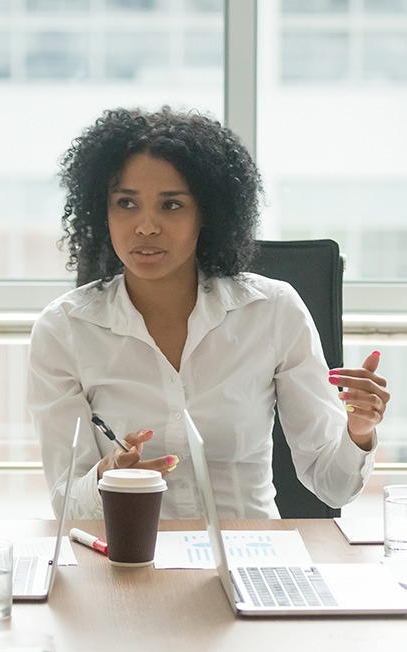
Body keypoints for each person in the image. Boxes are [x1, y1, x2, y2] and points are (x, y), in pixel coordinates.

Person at [28, 106, 389, 520]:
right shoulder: (64, 330)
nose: (146, 226)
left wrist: (358, 432)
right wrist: (104, 477)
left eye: (171, 205)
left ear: (207, 214)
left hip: (251, 557)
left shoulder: (272, 311)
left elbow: (334, 486)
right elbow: (67, 505)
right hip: (131, 560)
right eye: (126, 203)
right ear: (101, 211)